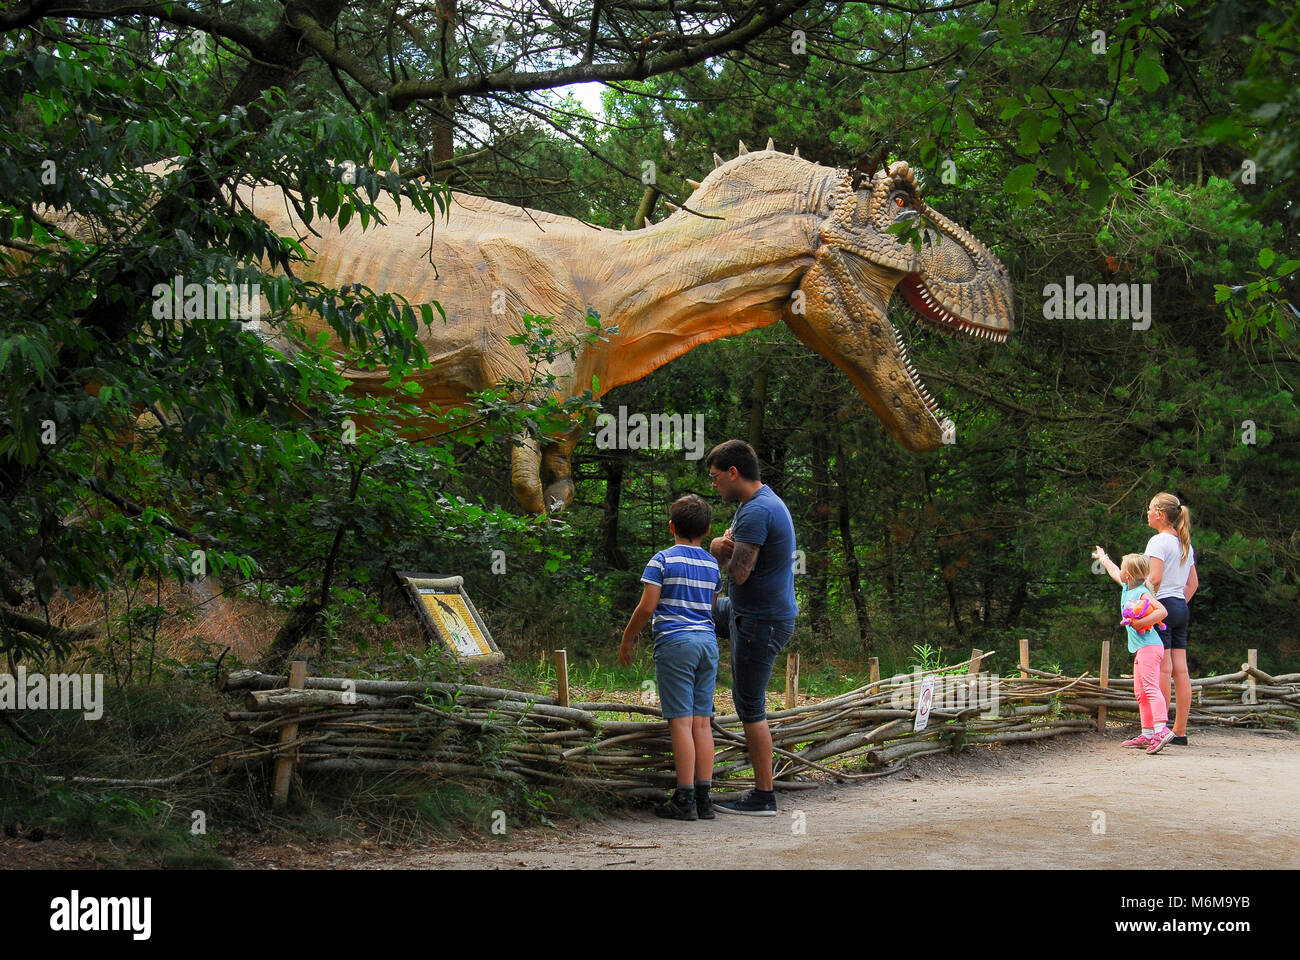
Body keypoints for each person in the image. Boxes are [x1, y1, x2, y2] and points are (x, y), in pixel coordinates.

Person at [705, 440, 798, 816]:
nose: (713, 485)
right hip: (748, 612)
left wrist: (716, 551)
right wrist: (725, 543)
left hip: (761, 621)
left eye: (715, 478)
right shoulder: (755, 504)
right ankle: (699, 705)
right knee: (692, 617)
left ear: (733, 473)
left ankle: (764, 796)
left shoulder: (757, 511)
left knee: (749, 704)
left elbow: (740, 574)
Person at [619, 494, 721, 821]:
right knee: (702, 722)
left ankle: (684, 799)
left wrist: (627, 639)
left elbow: (647, 606)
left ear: (672, 526)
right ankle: (704, 800)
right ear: (706, 531)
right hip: (707, 643)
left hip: (676, 643)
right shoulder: (711, 564)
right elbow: (712, 608)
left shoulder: (661, 560)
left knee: (680, 721)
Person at [1092, 549, 1173, 753]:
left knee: (1151, 688)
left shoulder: (1142, 592)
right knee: (1140, 693)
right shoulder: (1128, 587)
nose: (1120, 571)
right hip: (1141, 649)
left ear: (1128, 574)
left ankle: (1161, 730)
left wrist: (1141, 623)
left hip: (1150, 647)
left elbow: (1163, 611)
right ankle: (1147, 734)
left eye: (1123, 569)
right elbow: (1113, 570)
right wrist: (1103, 558)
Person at [1145, 492, 1198, 745]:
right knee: (1181, 670)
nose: (1147, 513)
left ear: (1160, 514)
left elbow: (1154, 579)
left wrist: (1143, 604)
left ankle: (1161, 730)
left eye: (1149, 509)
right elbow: (1193, 584)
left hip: (1162, 605)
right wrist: (1177, 605)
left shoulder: (1157, 542)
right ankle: (1180, 731)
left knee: (1163, 670)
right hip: (1180, 606)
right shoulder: (1185, 543)